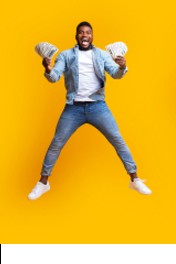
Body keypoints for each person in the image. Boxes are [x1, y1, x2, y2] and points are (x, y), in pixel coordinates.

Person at [28, 21, 150, 201]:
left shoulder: (101, 54)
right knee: (57, 142)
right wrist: (47, 68)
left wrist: (123, 66)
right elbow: (54, 78)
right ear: (76, 36)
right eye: (81, 33)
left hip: (97, 106)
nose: (85, 35)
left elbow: (115, 74)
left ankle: (135, 179)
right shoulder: (66, 55)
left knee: (118, 140)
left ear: (92, 36)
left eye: (88, 32)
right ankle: (43, 183)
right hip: (73, 107)